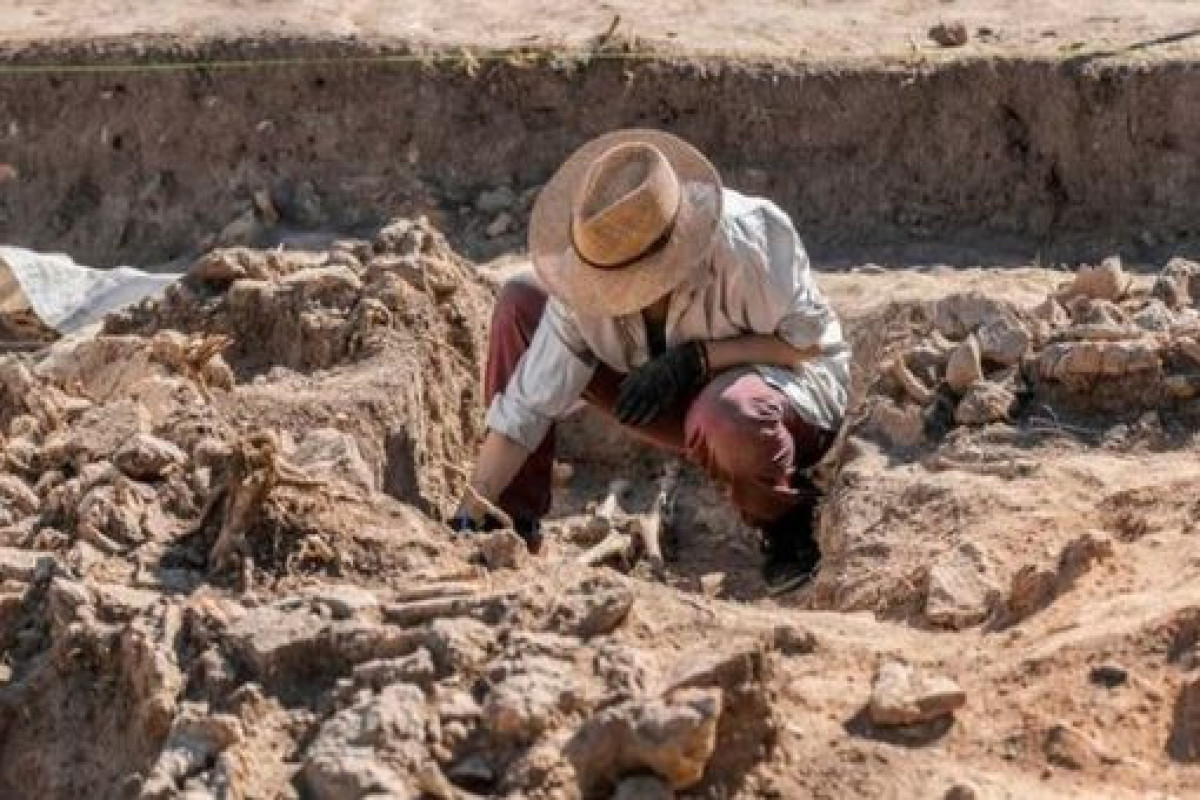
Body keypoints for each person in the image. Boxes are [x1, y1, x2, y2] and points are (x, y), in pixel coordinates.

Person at [451, 129, 850, 591]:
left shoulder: (747, 242)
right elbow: (527, 406)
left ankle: (785, 522)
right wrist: (469, 512)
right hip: (670, 396)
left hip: (784, 390)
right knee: (522, 301)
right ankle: (510, 522)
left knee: (727, 414)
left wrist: (697, 359)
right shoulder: (587, 278)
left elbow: (809, 344)